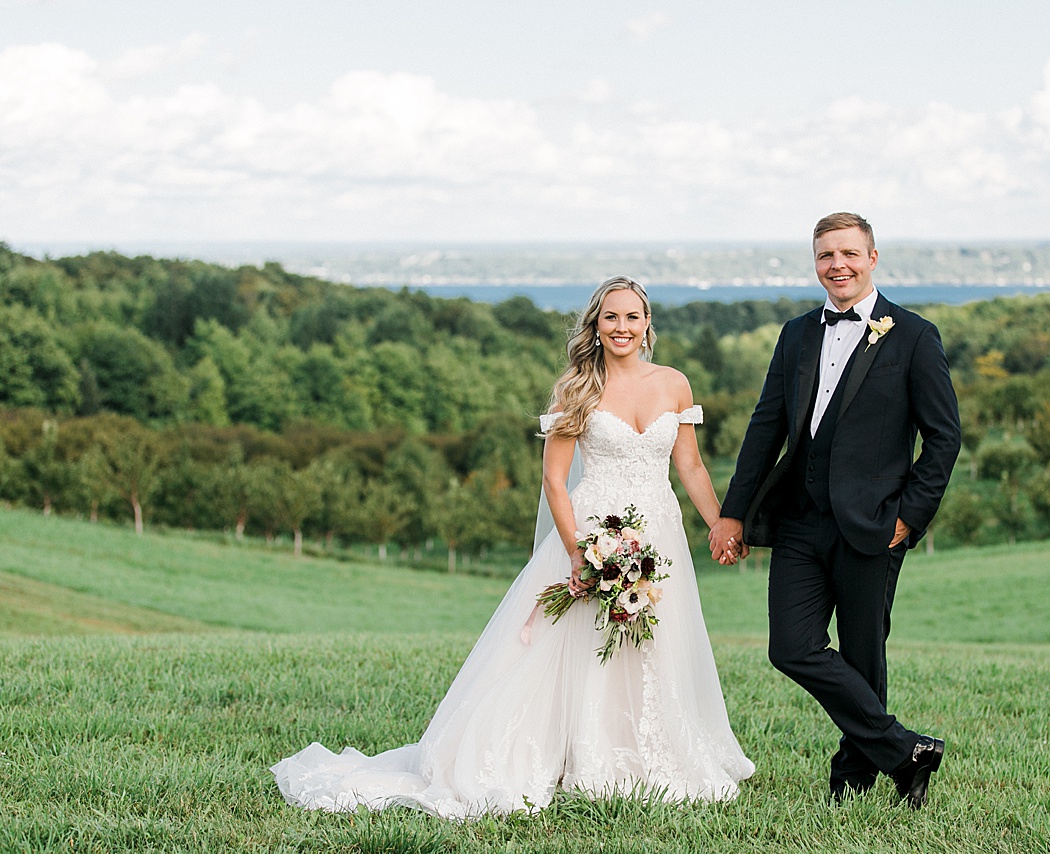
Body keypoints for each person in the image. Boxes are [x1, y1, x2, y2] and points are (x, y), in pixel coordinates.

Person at [272, 276, 754, 817]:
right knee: (582, 644)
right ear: (596, 326)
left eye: (632, 317)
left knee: (654, 644)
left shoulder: (675, 384)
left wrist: (721, 524)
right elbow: (554, 481)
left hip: (659, 535)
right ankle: (585, 758)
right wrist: (579, 552)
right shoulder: (576, 389)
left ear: (648, 326)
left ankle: (650, 754)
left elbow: (688, 464)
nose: (622, 327)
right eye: (611, 317)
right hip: (593, 533)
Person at [709, 212, 961, 809]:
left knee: (863, 654)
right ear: (815, 262)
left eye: (849, 253)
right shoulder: (797, 332)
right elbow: (766, 424)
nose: (837, 266)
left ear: (873, 257)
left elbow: (944, 438)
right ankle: (905, 751)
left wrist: (909, 518)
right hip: (799, 518)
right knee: (790, 646)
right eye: (825, 255)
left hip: (875, 522)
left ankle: (854, 777)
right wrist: (733, 511)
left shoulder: (914, 336)